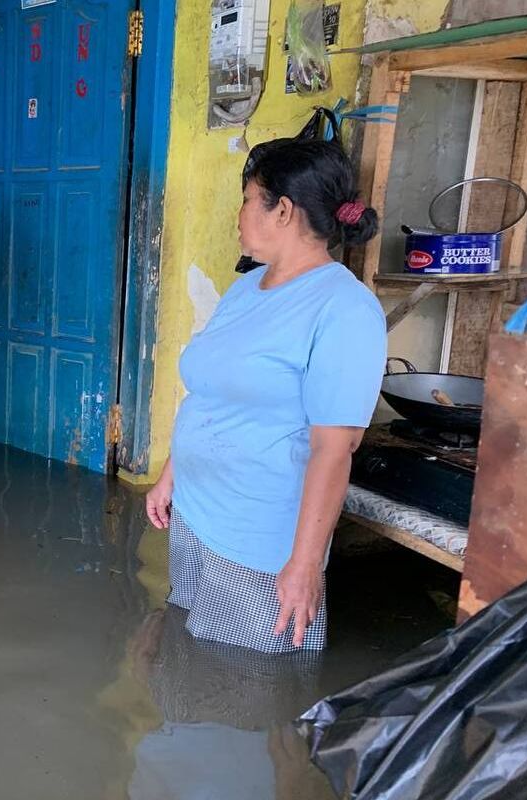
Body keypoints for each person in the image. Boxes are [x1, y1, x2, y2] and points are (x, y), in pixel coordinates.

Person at [145, 138, 386, 654]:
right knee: (187, 666)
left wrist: (303, 566)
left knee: (245, 688)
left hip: (258, 541)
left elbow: (334, 448)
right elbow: (210, 395)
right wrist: (171, 476)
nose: (240, 213)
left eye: (249, 198)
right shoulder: (244, 290)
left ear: (283, 210)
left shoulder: (344, 309)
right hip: (194, 516)